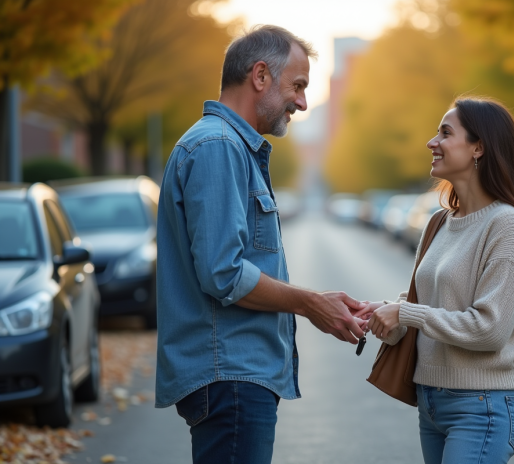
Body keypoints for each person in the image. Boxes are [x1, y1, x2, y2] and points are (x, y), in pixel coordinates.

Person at [155, 25, 367, 464]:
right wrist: (309, 303)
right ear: (260, 77)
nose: (303, 102)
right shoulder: (218, 147)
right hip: (230, 376)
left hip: (234, 376)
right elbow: (223, 272)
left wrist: (312, 302)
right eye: (298, 86)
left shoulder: (229, 147)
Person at [357, 97, 514, 464]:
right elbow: (428, 304)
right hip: (432, 404)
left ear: (478, 147)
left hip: (481, 408)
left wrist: (406, 314)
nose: (432, 142)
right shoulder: (438, 223)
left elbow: (489, 330)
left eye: (445, 133)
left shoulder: (504, 225)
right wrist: (384, 314)